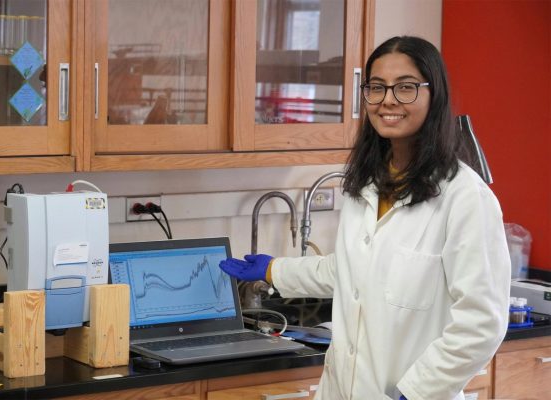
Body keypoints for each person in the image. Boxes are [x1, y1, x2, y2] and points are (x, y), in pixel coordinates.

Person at [219, 36, 511, 400]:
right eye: (376, 87)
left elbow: (482, 322)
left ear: (434, 95)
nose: (388, 100)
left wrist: (415, 392)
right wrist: (274, 270)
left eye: (405, 87)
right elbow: (350, 271)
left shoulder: (465, 197)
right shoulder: (368, 184)